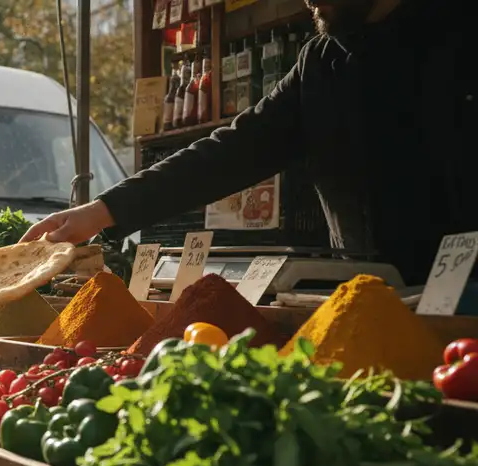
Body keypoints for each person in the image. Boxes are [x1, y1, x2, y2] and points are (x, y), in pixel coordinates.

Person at [23, 0, 467, 287]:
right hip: (364, 301)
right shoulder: (319, 64)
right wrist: (101, 212)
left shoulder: (461, 35)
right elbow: (229, 152)